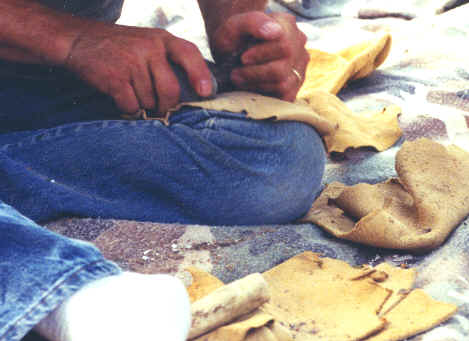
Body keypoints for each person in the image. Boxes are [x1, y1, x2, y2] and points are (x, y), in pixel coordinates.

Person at [0, 0, 326, 340]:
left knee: (277, 158)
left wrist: (244, 32)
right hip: (66, 48)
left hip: (56, 78)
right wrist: (74, 40)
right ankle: (72, 300)